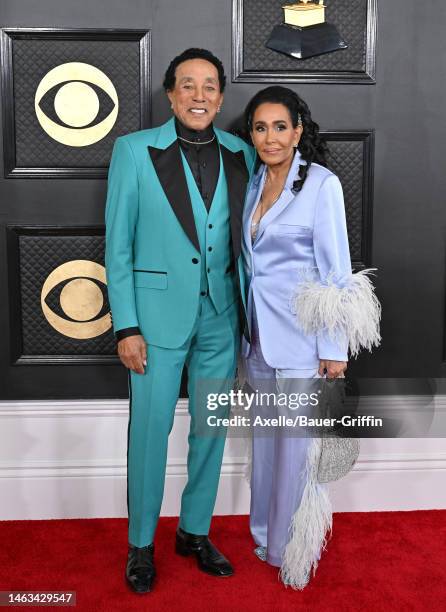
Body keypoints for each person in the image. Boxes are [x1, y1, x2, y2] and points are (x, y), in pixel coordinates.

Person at [105, 48, 255, 594]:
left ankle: (194, 532)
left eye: (209, 86)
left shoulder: (243, 152)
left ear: (220, 97)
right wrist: (126, 326)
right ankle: (141, 543)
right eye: (187, 85)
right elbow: (117, 246)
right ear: (170, 94)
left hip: (222, 318)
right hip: (153, 321)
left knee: (210, 430)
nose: (198, 95)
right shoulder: (134, 152)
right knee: (149, 432)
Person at [241, 86, 381, 588]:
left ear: (298, 130)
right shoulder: (255, 182)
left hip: (303, 342)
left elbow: (337, 273)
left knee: (297, 448)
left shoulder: (321, 185)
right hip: (257, 340)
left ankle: (287, 547)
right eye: (261, 127)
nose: (271, 137)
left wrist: (333, 351)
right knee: (266, 443)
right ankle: (263, 532)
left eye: (280, 127)